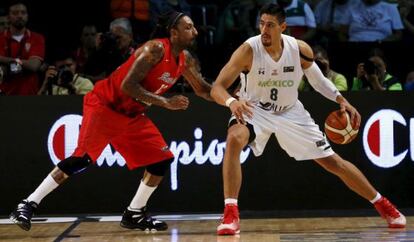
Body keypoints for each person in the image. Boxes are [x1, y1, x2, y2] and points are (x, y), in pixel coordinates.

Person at [210, 3, 406, 236]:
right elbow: (217, 88)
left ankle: (384, 205)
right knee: (234, 138)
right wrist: (232, 102)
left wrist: (340, 99)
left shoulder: (300, 50)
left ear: (283, 27)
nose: (264, 30)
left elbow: (317, 80)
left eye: (270, 25)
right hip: (255, 109)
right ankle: (231, 213)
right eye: (261, 24)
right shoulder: (248, 50)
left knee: (334, 163)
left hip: (290, 111)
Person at [10, 11, 212, 232]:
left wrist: (233, 99)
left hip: (132, 115)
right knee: (81, 160)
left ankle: (134, 212)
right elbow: (128, 85)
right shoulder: (154, 49)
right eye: (189, 27)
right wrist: (166, 102)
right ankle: (28, 204)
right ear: (173, 32)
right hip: (105, 106)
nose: (195, 31)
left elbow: (203, 89)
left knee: (160, 161)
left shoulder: (185, 59)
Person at [0, 1, 45, 95]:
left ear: (27, 16)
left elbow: (33, 66)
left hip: (30, 96)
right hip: (5, 96)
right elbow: (3, 70)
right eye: (15, 13)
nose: (20, 16)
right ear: (8, 17)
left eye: (23, 13)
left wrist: (2, 59)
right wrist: (25, 65)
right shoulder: (1, 39)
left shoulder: (37, 38)